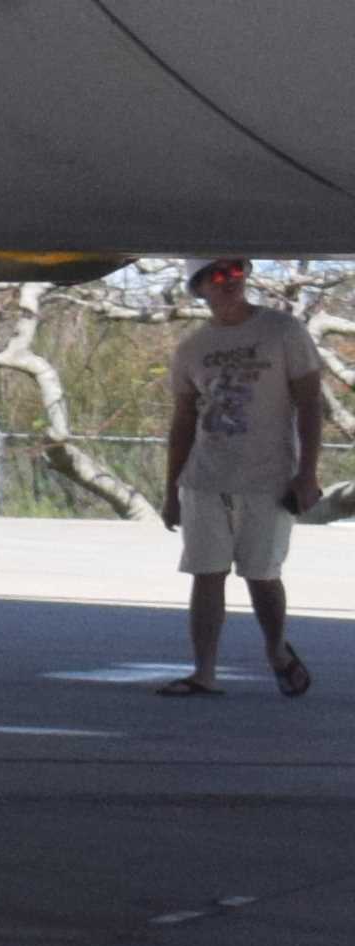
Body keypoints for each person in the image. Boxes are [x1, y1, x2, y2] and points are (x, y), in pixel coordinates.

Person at [157, 256, 322, 698]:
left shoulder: (283, 332)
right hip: (205, 477)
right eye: (217, 276)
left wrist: (307, 474)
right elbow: (182, 421)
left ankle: (277, 653)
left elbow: (310, 401)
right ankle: (203, 672)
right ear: (200, 288)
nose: (229, 282)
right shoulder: (192, 348)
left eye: (235, 273)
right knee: (206, 573)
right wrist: (171, 491)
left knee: (261, 574)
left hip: (268, 478)